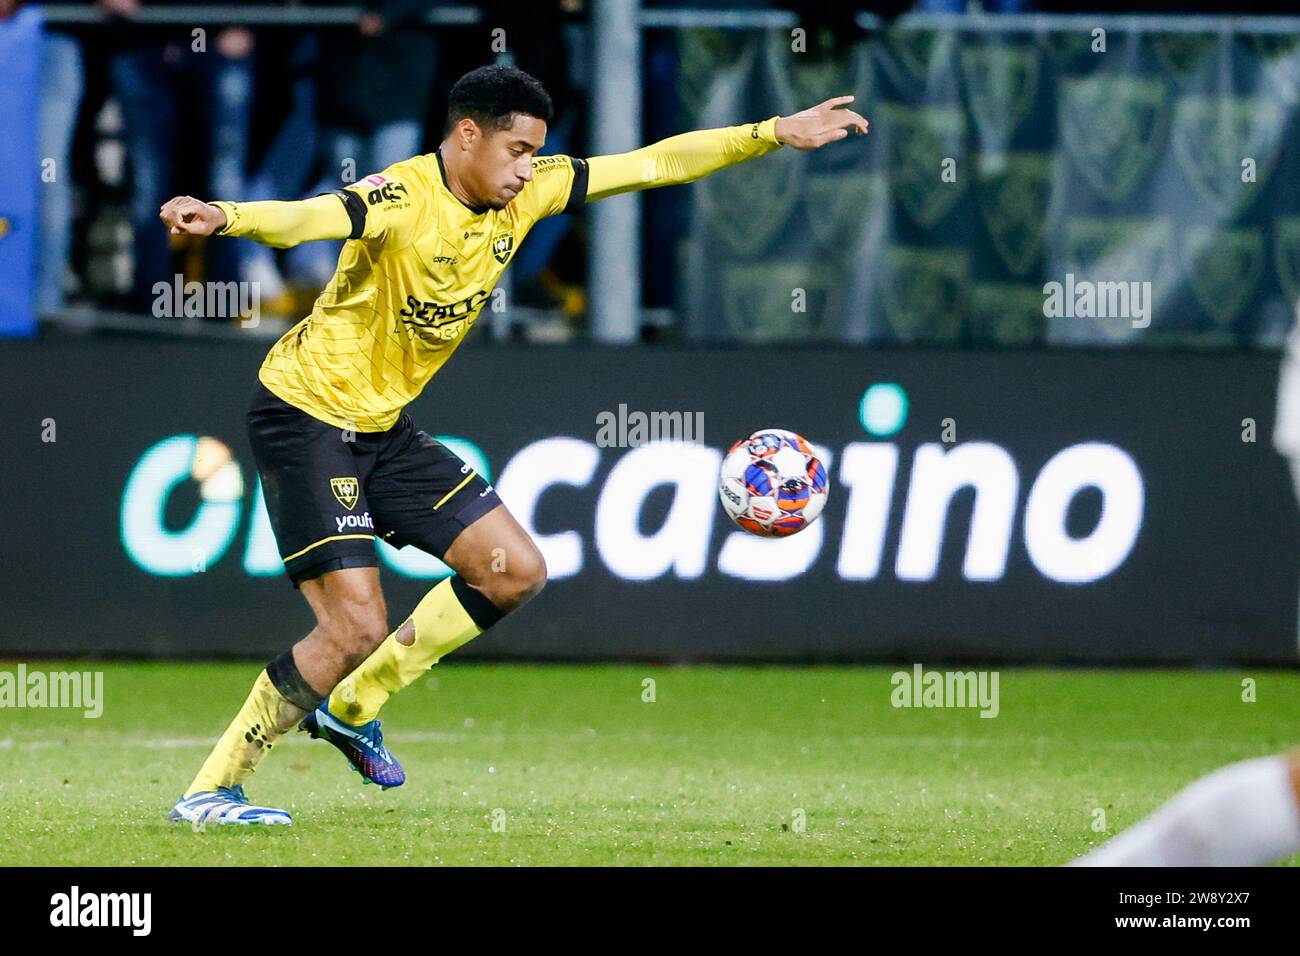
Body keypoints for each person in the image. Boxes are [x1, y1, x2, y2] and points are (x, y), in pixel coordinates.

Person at [159, 64, 868, 826]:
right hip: (305, 414)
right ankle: (211, 788)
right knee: (354, 625)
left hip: (382, 428)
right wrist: (225, 217)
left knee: (515, 572)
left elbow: (657, 162)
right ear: (468, 135)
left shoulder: (531, 191)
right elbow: (309, 218)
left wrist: (771, 134)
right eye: (517, 150)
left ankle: (356, 703)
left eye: (537, 153)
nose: (528, 169)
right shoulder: (401, 198)